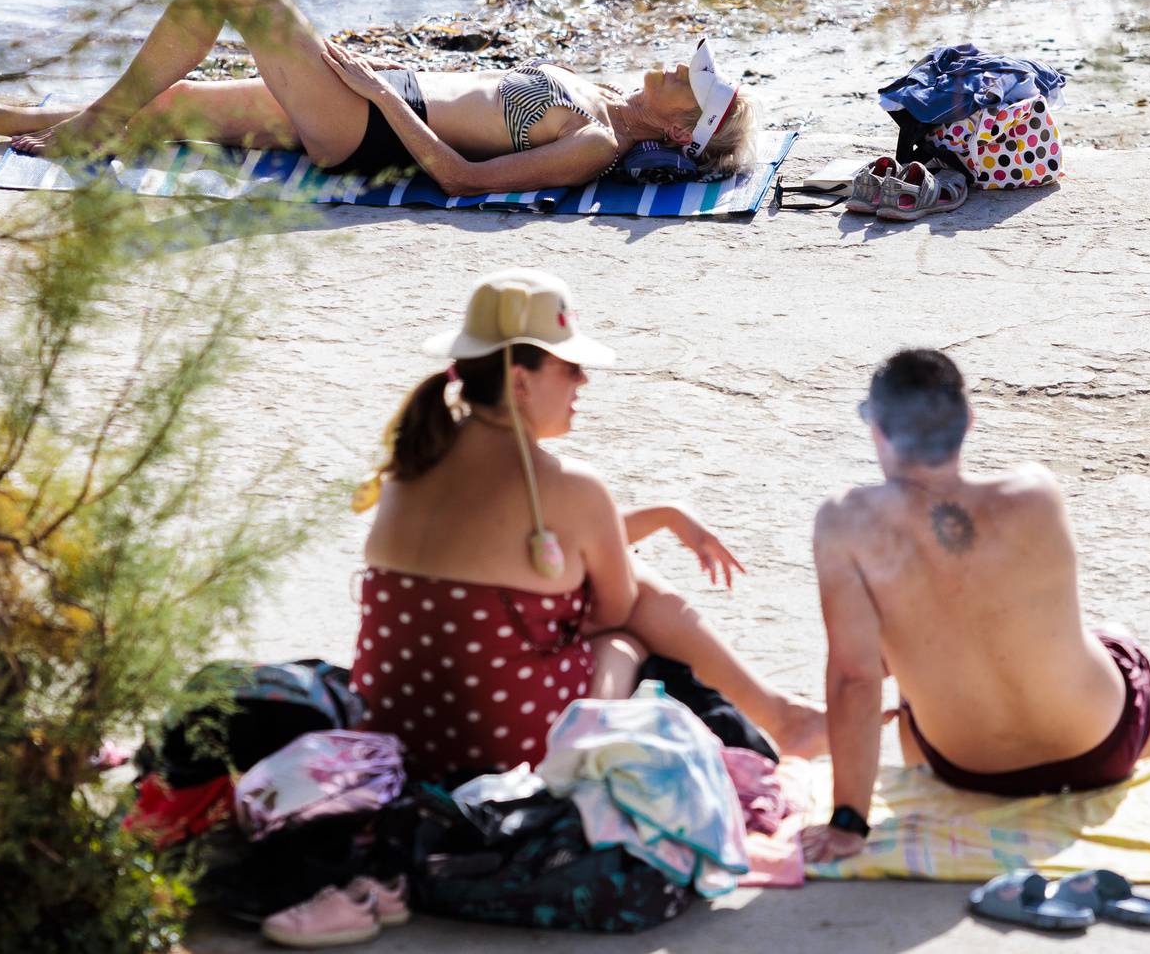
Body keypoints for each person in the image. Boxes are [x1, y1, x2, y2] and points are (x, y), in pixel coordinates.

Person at [350, 268, 824, 777]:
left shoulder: (409, 464)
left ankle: (784, 716)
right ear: (520, 380)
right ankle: (777, 718)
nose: (583, 381)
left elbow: (526, 545)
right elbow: (614, 607)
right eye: (570, 367)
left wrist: (663, 516)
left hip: (393, 734)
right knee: (626, 636)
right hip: (503, 753)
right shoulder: (573, 488)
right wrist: (649, 530)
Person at [0, 0, 760, 194]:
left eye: (690, 81)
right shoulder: (604, 96)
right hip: (378, 97)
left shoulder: (596, 144)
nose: (676, 67)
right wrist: (395, 70)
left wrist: (383, 91)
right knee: (171, 101)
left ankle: (84, 130)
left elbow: (460, 178)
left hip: (369, 129)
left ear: (684, 127)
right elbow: (474, 97)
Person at [803, 349, 1150, 863]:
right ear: (969, 421)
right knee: (1120, 642)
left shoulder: (846, 523)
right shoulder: (1037, 492)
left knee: (908, 677)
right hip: (1100, 748)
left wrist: (848, 821)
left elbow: (855, 679)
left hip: (969, 768)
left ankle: (935, 802)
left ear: (877, 429)